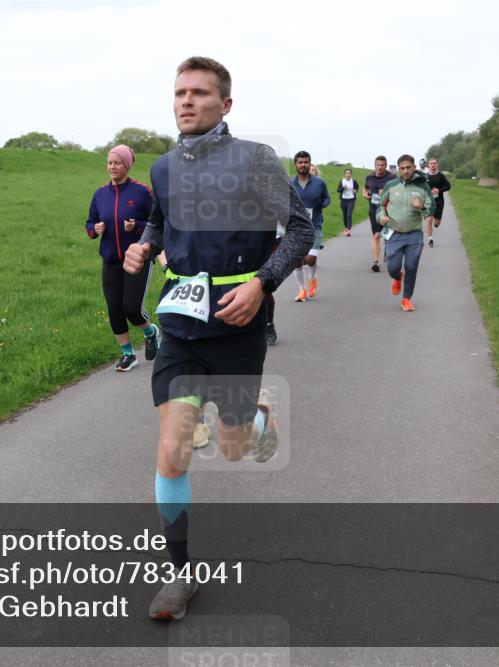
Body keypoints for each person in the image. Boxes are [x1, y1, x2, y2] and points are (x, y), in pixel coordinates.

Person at [123, 56, 313, 621]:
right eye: (180, 92)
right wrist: (146, 246)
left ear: (225, 104)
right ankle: (178, 579)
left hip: (237, 324)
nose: (186, 101)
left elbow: (299, 230)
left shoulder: (255, 160)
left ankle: (254, 419)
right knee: (174, 449)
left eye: (200, 93)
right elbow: (161, 221)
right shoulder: (162, 167)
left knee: (233, 446)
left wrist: (262, 284)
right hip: (180, 325)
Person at [85, 144, 160, 371]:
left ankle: (150, 331)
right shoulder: (100, 194)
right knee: (114, 308)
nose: (112, 167)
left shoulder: (142, 192)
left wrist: (136, 226)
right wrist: (94, 229)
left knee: (132, 308)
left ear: (127, 165)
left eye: (117, 162)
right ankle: (127, 354)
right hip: (110, 260)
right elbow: (89, 223)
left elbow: (157, 224)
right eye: (110, 162)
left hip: (137, 260)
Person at [377, 154, 434, 311]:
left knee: (411, 266)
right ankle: (397, 277)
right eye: (402, 168)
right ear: (398, 170)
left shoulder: (423, 186)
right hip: (394, 233)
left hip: (414, 234)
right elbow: (381, 205)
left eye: (409, 167)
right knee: (393, 267)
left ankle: (406, 299)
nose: (406, 171)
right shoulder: (391, 185)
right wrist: (381, 216)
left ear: (414, 167)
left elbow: (432, 207)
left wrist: (422, 206)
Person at [290, 151, 331, 301]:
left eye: (306, 162)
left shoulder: (319, 183)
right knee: (297, 261)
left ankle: (312, 278)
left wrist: (322, 204)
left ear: (310, 164)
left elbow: (327, 198)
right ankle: (302, 289)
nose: (303, 165)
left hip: (315, 226)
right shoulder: (290, 183)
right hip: (296, 228)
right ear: (296, 164)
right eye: (300, 162)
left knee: (310, 259)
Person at [364, 155, 396, 273]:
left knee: (387, 236)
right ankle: (376, 262)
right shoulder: (369, 177)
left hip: (388, 210)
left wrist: (387, 194)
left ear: (386, 166)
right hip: (374, 209)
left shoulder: (392, 177)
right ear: (375, 165)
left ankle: (387, 251)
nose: (380, 167)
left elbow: (397, 192)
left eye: (382, 165)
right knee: (376, 235)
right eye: (378, 165)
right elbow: (366, 188)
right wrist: (365, 194)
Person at [424, 158, 451, 247]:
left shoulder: (441, 176)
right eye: (431, 163)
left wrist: (438, 190)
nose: (432, 165)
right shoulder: (425, 177)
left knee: (436, 222)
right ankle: (430, 239)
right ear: (428, 165)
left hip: (439, 201)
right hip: (428, 202)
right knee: (429, 220)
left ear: (437, 165)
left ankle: (437, 223)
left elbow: (448, 186)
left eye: (434, 163)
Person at [336, 168, 359, 236]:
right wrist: (343, 188)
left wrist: (356, 190)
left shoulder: (353, 181)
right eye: (346, 173)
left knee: (349, 215)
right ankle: (346, 227)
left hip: (351, 199)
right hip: (343, 200)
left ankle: (348, 230)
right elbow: (338, 190)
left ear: (351, 174)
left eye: (349, 173)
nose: (348, 174)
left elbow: (357, 187)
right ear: (344, 174)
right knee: (344, 215)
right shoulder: (342, 181)